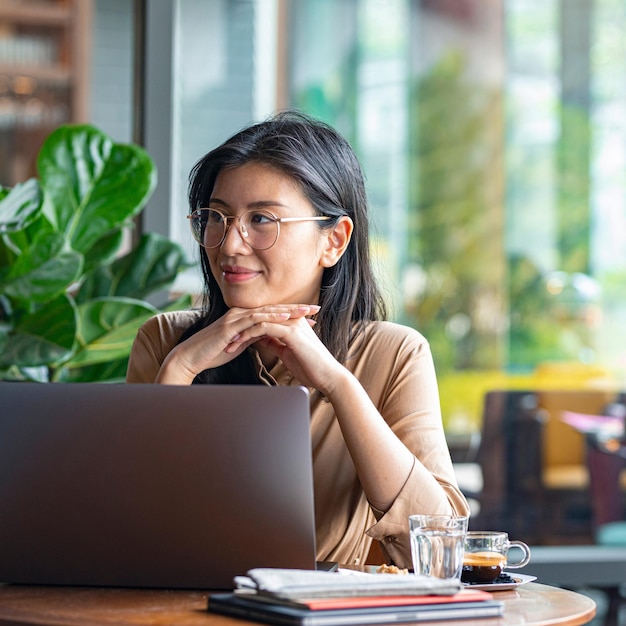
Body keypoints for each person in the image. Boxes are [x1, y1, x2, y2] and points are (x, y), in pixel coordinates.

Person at [126, 110, 469, 568]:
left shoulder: (395, 353)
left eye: (262, 219)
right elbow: (129, 529)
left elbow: (439, 549)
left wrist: (338, 383)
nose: (229, 244)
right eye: (216, 217)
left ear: (335, 240)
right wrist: (180, 370)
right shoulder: (166, 340)